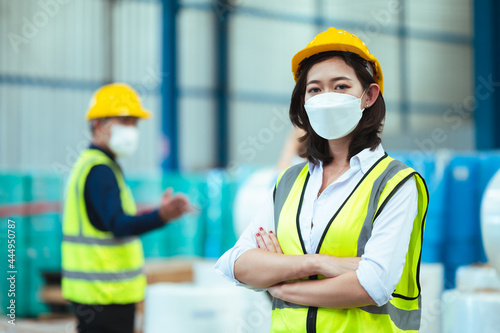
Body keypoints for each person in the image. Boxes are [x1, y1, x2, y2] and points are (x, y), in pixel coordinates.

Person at [215, 27, 428, 332]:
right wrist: (318, 263)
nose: (326, 98)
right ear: (303, 100)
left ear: (369, 96)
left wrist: (281, 286)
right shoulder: (289, 182)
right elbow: (235, 264)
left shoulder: (395, 183)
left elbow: (372, 285)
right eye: (314, 89)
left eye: (340, 86)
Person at [61, 83, 193, 333]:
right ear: (99, 125)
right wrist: (161, 215)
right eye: (124, 121)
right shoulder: (100, 171)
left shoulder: (90, 164)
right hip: (105, 297)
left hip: (97, 295)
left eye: (134, 122)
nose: (131, 129)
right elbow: (119, 225)